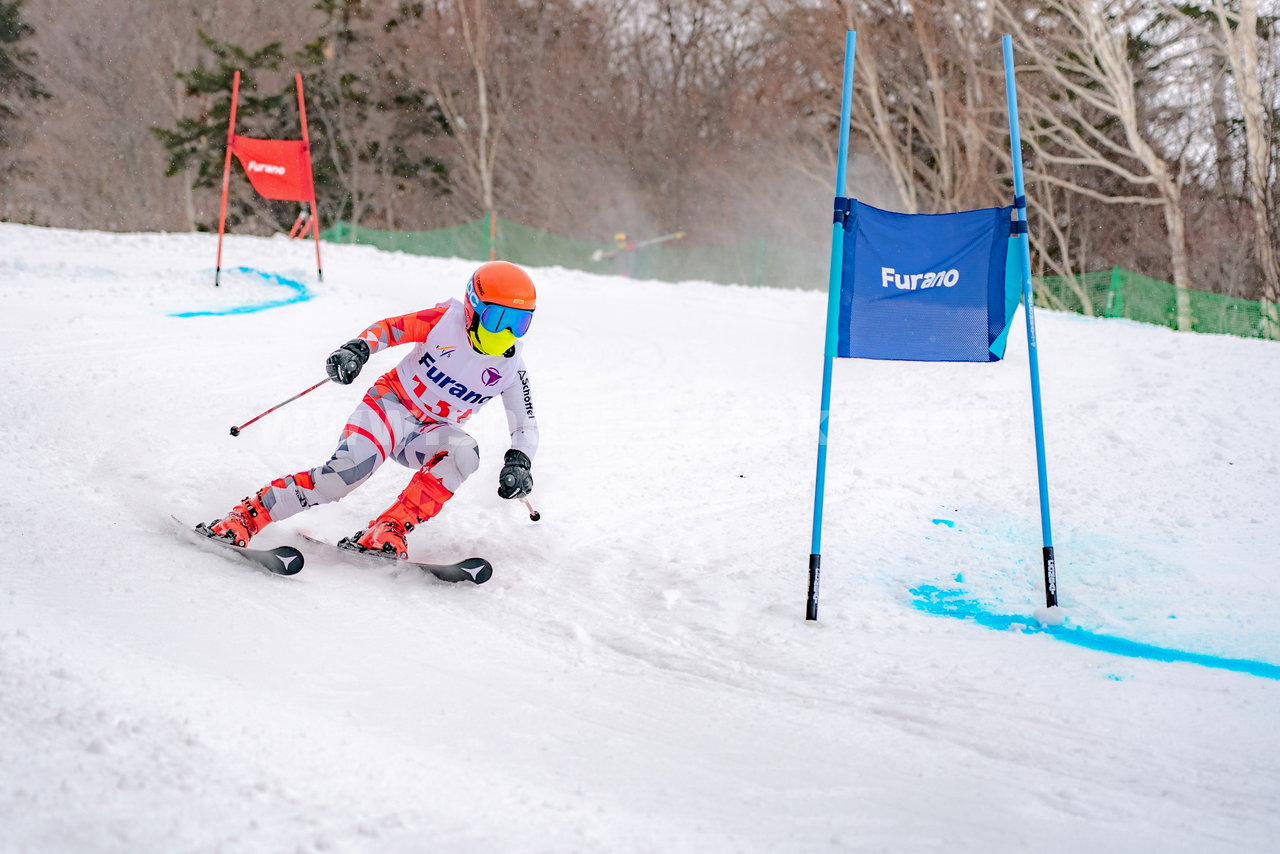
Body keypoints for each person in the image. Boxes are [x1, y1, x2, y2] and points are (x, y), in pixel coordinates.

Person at [207, 260, 539, 559]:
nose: (507, 333)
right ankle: (247, 516)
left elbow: (524, 425)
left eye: (520, 323)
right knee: (340, 480)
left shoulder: (512, 369)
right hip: (390, 407)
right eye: (498, 319)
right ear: (473, 309)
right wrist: (358, 349)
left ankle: (387, 529)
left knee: (465, 453)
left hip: (429, 433)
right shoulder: (444, 322)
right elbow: (392, 328)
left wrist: (520, 462)